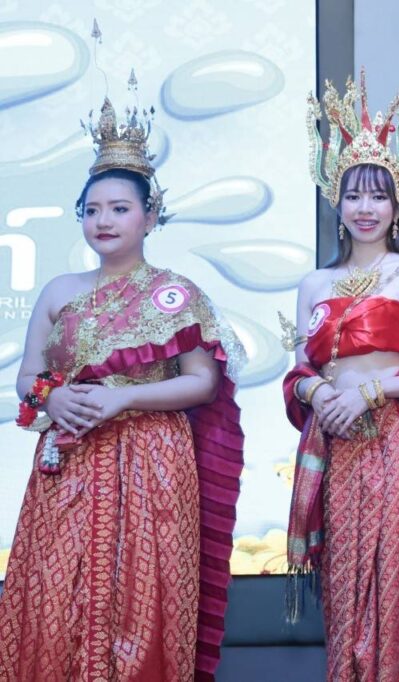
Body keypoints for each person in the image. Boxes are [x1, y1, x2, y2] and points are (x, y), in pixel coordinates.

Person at [0, 95, 245, 680]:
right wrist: (53, 397)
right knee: (54, 587)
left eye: (119, 208)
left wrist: (124, 397)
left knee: (142, 593)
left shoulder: (175, 295)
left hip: (152, 463)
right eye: (92, 210)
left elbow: (203, 382)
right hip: (70, 459)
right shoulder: (59, 291)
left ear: (150, 217)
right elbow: (28, 378)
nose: (103, 221)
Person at [281, 70, 399, 681]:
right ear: (336, 202)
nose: (365, 208)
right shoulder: (314, 283)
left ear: (398, 204)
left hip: (395, 443)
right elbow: (298, 371)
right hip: (335, 446)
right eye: (354, 195)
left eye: (378, 197)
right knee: (345, 586)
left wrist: (370, 391)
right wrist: (317, 392)